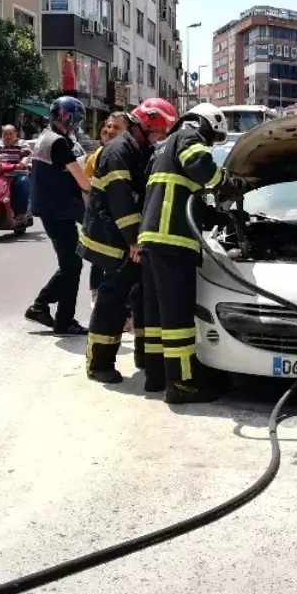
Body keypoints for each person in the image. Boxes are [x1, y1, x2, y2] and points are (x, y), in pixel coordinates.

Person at [139, 102, 235, 404]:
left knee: (157, 312)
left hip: (154, 237)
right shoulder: (189, 136)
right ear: (205, 124)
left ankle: (156, 375)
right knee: (178, 315)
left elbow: (183, 195)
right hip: (173, 239)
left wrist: (217, 217)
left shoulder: (165, 146)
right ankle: (181, 383)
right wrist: (226, 182)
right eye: (212, 138)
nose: (210, 145)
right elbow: (200, 166)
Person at [83, 99, 176, 387]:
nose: (161, 138)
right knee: (113, 299)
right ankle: (99, 362)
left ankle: (144, 356)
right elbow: (121, 202)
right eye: (159, 132)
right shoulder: (117, 152)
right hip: (112, 239)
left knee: (141, 296)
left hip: (129, 239)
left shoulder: (139, 148)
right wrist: (135, 242)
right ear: (146, 124)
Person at [25, 97, 94, 336]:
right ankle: (63, 320)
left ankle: (40, 307)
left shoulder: (47, 137)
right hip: (58, 210)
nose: (77, 124)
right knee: (71, 265)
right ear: (68, 117)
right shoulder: (58, 143)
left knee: (71, 264)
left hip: (51, 209)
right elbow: (82, 179)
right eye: (76, 119)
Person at [84, 113, 129, 298]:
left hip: (116, 219)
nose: (109, 132)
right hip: (106, 219)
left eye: (115, 128)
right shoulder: (98, 156)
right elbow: (87, 186)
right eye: (106, 129)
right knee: (101, 261)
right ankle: (98, 298)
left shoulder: (124, 153)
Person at [0, 124, 32, 216]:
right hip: (0, 174)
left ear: (15, 134)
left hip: (16, 174)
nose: (8, 136)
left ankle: (21, 213)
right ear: (2, 135)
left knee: (23, 182)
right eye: (5, 134)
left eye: (10, 134)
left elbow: (26, 156)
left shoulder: (22, 143)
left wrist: (21, 164)